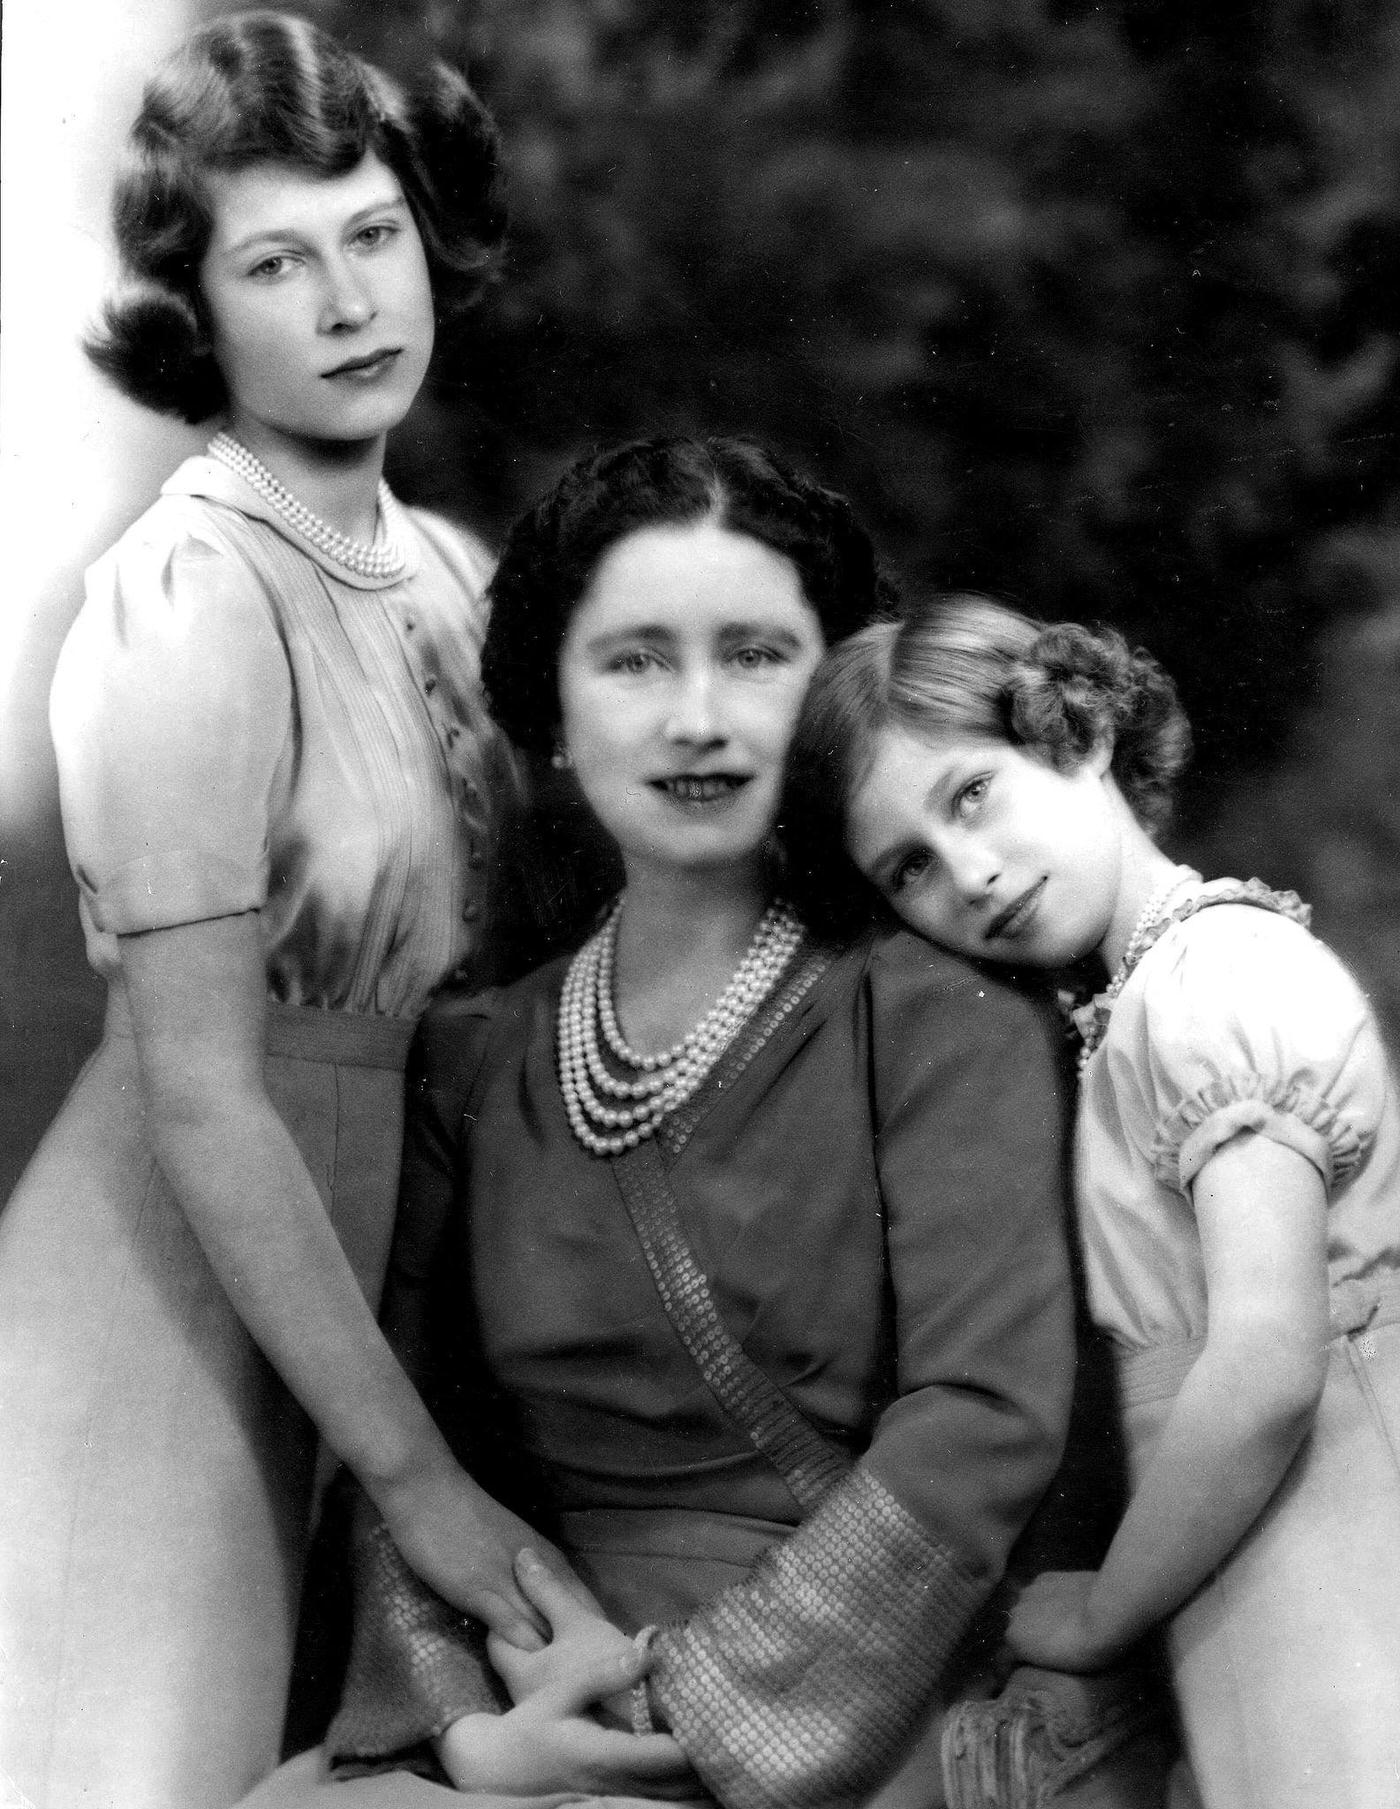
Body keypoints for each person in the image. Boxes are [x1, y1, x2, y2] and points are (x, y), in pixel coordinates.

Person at [243, 438, 1077, 1809]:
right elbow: (418, 1458)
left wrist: (672, 1709)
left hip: (853, 1710)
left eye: (757, 656)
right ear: (553, 714)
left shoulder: (937, 1018)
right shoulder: (475, 1054)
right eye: (635, 661)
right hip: (538, 1685)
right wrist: (461, 1732)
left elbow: (984, 1424)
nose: (700, 717)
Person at [0, 14, 560, 1807]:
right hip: (176, 1273)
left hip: (379, 1257)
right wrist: (415, 1476)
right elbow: (202, 1088)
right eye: (276, 261)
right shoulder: (186, 591)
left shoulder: (458, 575)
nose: (345, 301)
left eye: (373, 234)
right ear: (198, 313)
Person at [785, 594, 1400, 1808]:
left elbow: (1269, 1362)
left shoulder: (1209, 983)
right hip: (1265, 1569)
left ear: (1079, 731)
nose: (966, 871)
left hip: (1338, 1573)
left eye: (970, 793)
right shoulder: (1146, 999)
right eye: (907, 864)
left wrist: (1102, 1609)